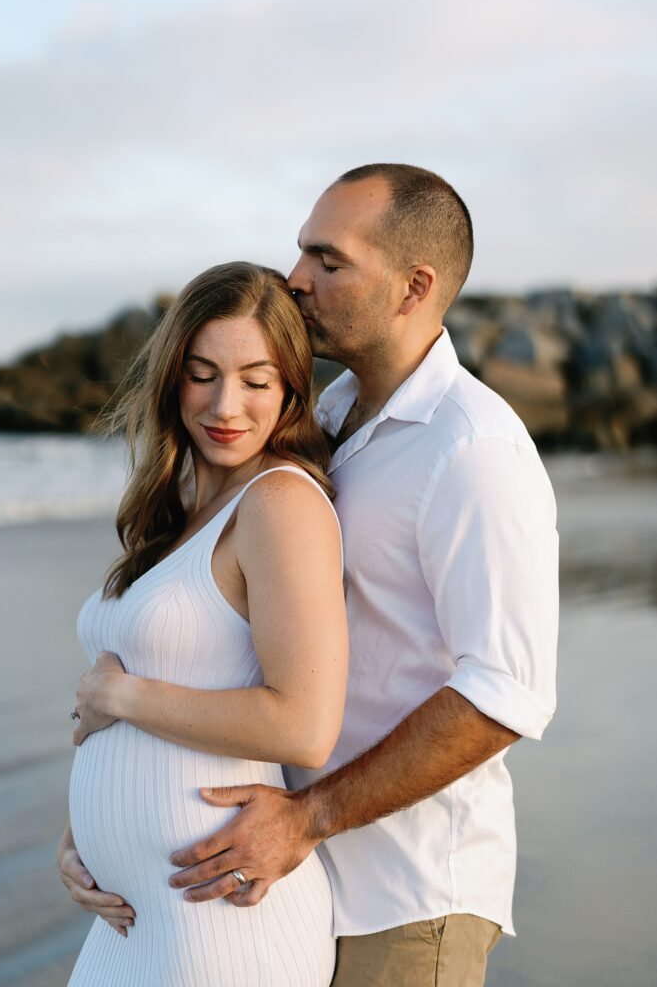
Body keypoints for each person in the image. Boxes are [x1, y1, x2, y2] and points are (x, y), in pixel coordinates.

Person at [61, 164, 559, 987]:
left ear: (413, 286)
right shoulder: (325, 420)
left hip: (405, 895)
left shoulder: (472, 451)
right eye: (300, 253)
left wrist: (309, 817)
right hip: (284, 872)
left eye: (328, 261)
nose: (296, 279)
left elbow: (507, 690)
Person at [59, 261, 348, 986]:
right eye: (201, 373)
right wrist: (87, 832)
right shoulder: (179, 503)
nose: (226, 405)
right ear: (171, 378)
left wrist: (118, 699)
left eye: (255, 380)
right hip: (132, 917)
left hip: (219, 923)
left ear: (288, 389)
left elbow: (303, 725)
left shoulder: (280, 505)